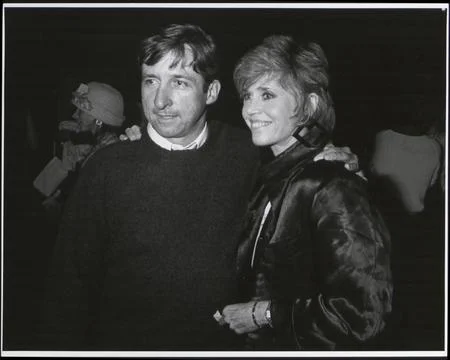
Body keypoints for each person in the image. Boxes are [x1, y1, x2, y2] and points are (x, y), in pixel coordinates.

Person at [38, 24, 361, 351]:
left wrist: (330, 160)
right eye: (151, 81)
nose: (160, 100)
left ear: (211, 92)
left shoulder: (249, 152)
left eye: (179, 82)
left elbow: (303, 186)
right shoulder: (106, 169)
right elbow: (67, 289)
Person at [220, 35, 393, 350]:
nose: (250, 109)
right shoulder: (271, 174)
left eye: (267, 94)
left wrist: (264, 314)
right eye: (248, 95)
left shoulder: (332, 184)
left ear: (309, 104)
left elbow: (365, 314)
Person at [35, 81, 126, 218]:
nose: (75, 115)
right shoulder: (98, 144)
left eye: (81, 111)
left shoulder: (108, 155)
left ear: (99, 120)